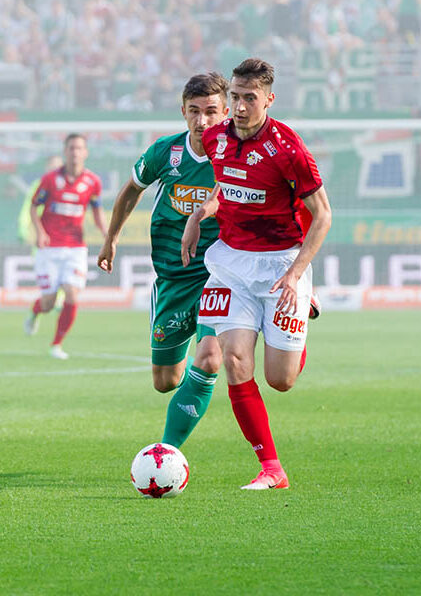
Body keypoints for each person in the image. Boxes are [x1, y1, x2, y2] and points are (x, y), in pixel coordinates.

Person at [181, 58, 332, 490]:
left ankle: (304, 306)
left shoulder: (288, 149)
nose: (241, 106)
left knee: (280, 380)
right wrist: (200, 214)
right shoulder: (215, 138)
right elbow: (226, 182)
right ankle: (272, 469)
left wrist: (297, 273)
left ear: (269, 99)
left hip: (283, 263)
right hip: (230, 261)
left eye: (250, 98)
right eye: (235, 97)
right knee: (233, 359)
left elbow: (323, 216)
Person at [97, 72, 230, 448]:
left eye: (210, 111)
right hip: (173, 277)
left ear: (225, 112)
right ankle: (197, 382)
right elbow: (130, 192)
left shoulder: (232, 155)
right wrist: (111, 239)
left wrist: (203, 212)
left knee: (208, 359)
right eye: (194, 111)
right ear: (183, 111)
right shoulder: (165, 152)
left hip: (219, 273)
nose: (202, 121)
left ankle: (168, 449)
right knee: (165, 381)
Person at [24, 133, 107, 360]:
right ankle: (35, 313)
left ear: (85, 152)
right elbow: (34, 207)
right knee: (49, 302)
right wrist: (40, 232)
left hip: (75, 247)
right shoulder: (50, 180)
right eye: (71, 148)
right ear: (65, 151)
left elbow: (97, 210)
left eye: (79, 148)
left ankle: (56, 345)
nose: (75, 152)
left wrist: (106, 233)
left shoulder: (92, 182)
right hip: (50, 247)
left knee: (71, 294)